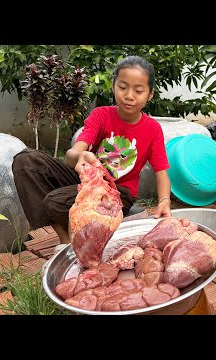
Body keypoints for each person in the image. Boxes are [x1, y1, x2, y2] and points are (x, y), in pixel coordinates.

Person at [12, 55, 172, 245]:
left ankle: (82, 230)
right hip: (87, 180)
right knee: (26, 161)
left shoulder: (152, 129)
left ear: (150, 94)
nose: (129, 95)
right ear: (113, 86)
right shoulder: (101, 115)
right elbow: (72, 154)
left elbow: (161, 172)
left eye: (138, 90)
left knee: (55, 202)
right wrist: (80, 156)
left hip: (119, 193)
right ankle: (64, 239)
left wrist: (164, 201)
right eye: (122, 87)